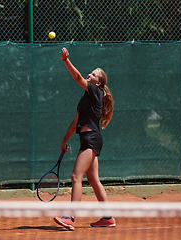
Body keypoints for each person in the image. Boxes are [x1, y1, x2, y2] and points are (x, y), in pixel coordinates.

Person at [53, 47, 115, 231]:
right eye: (91, 72)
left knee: (75, 176)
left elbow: (77, 77)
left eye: (94, 74)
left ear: (98, 83)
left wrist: (65, 60)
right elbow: (75, 122)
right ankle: (107, 217)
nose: (90, 74)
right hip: (88, 139)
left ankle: (70, 217)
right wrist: (65, 140)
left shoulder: (96, 92)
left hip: (91, 139)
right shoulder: (85, 99)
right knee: (93, 179)